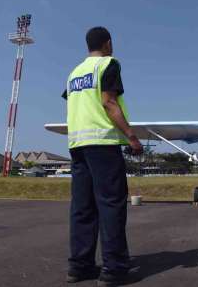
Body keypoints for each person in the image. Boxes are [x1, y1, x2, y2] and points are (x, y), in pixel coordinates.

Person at [63, 26, 143, 285]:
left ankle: (80, 266)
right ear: (108, 43)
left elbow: (76, 102)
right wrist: (131, 135)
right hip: (102, 142)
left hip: (77, 145)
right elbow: (109, 102)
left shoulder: (74, 73)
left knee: (82, 207)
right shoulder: (109, 64)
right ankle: (114, 268)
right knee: (111, 204)